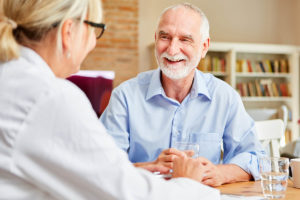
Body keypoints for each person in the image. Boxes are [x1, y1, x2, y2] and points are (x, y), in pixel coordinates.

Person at [0, 0, 220, 199]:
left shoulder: (13, 79)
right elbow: (124, 194)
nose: (93, 44)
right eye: (95, 30)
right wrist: (188, 183)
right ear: (68, 31)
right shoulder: (50, 97)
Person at [100, 3, 265, 187]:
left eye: (185, 39)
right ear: (155, 39)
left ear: (204, 47)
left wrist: (221, 173)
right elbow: (101, 165)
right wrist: (152, 167)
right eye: (165, 37)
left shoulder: (224, 97)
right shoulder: (125, 97)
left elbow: (256, 157)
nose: (172, 50)